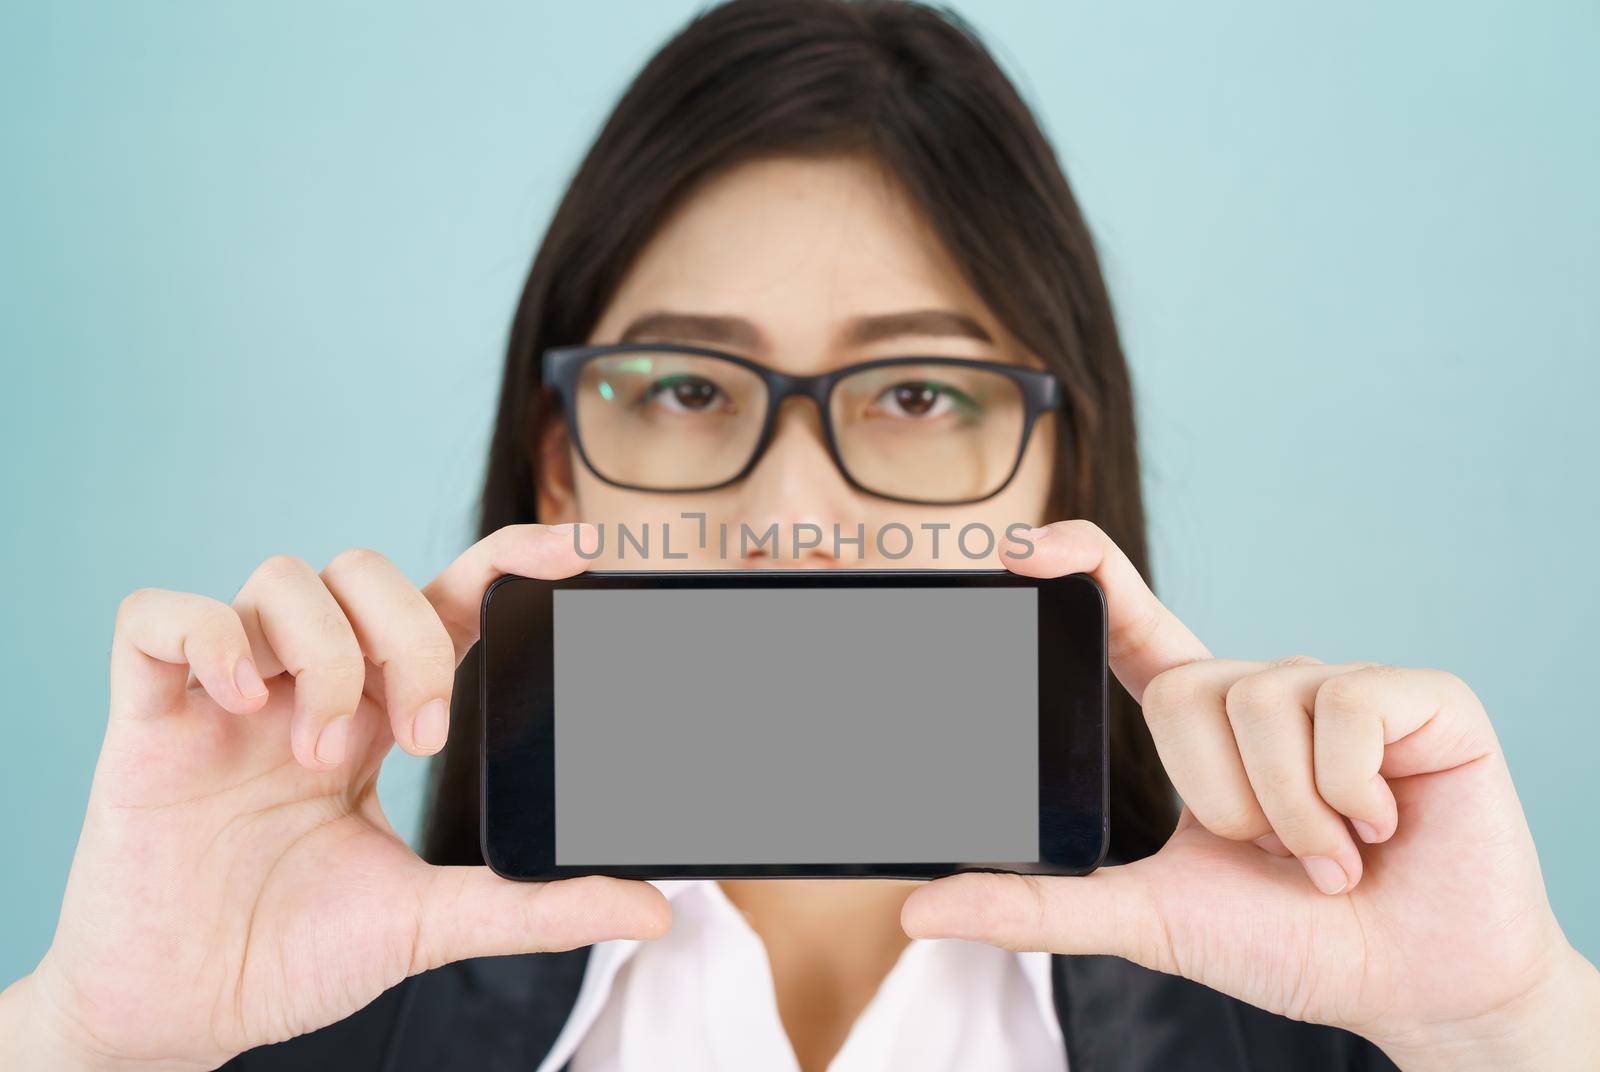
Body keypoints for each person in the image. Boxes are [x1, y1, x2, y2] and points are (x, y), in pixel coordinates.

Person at [2, 1, 1595, 1069]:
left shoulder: (1332, 1036)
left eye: (915, 394)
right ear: (562, 472)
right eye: (687, 384)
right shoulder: (288, 1027)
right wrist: (95, 1037)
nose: (793, 519)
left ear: (1060, 481)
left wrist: (1514, 1024)